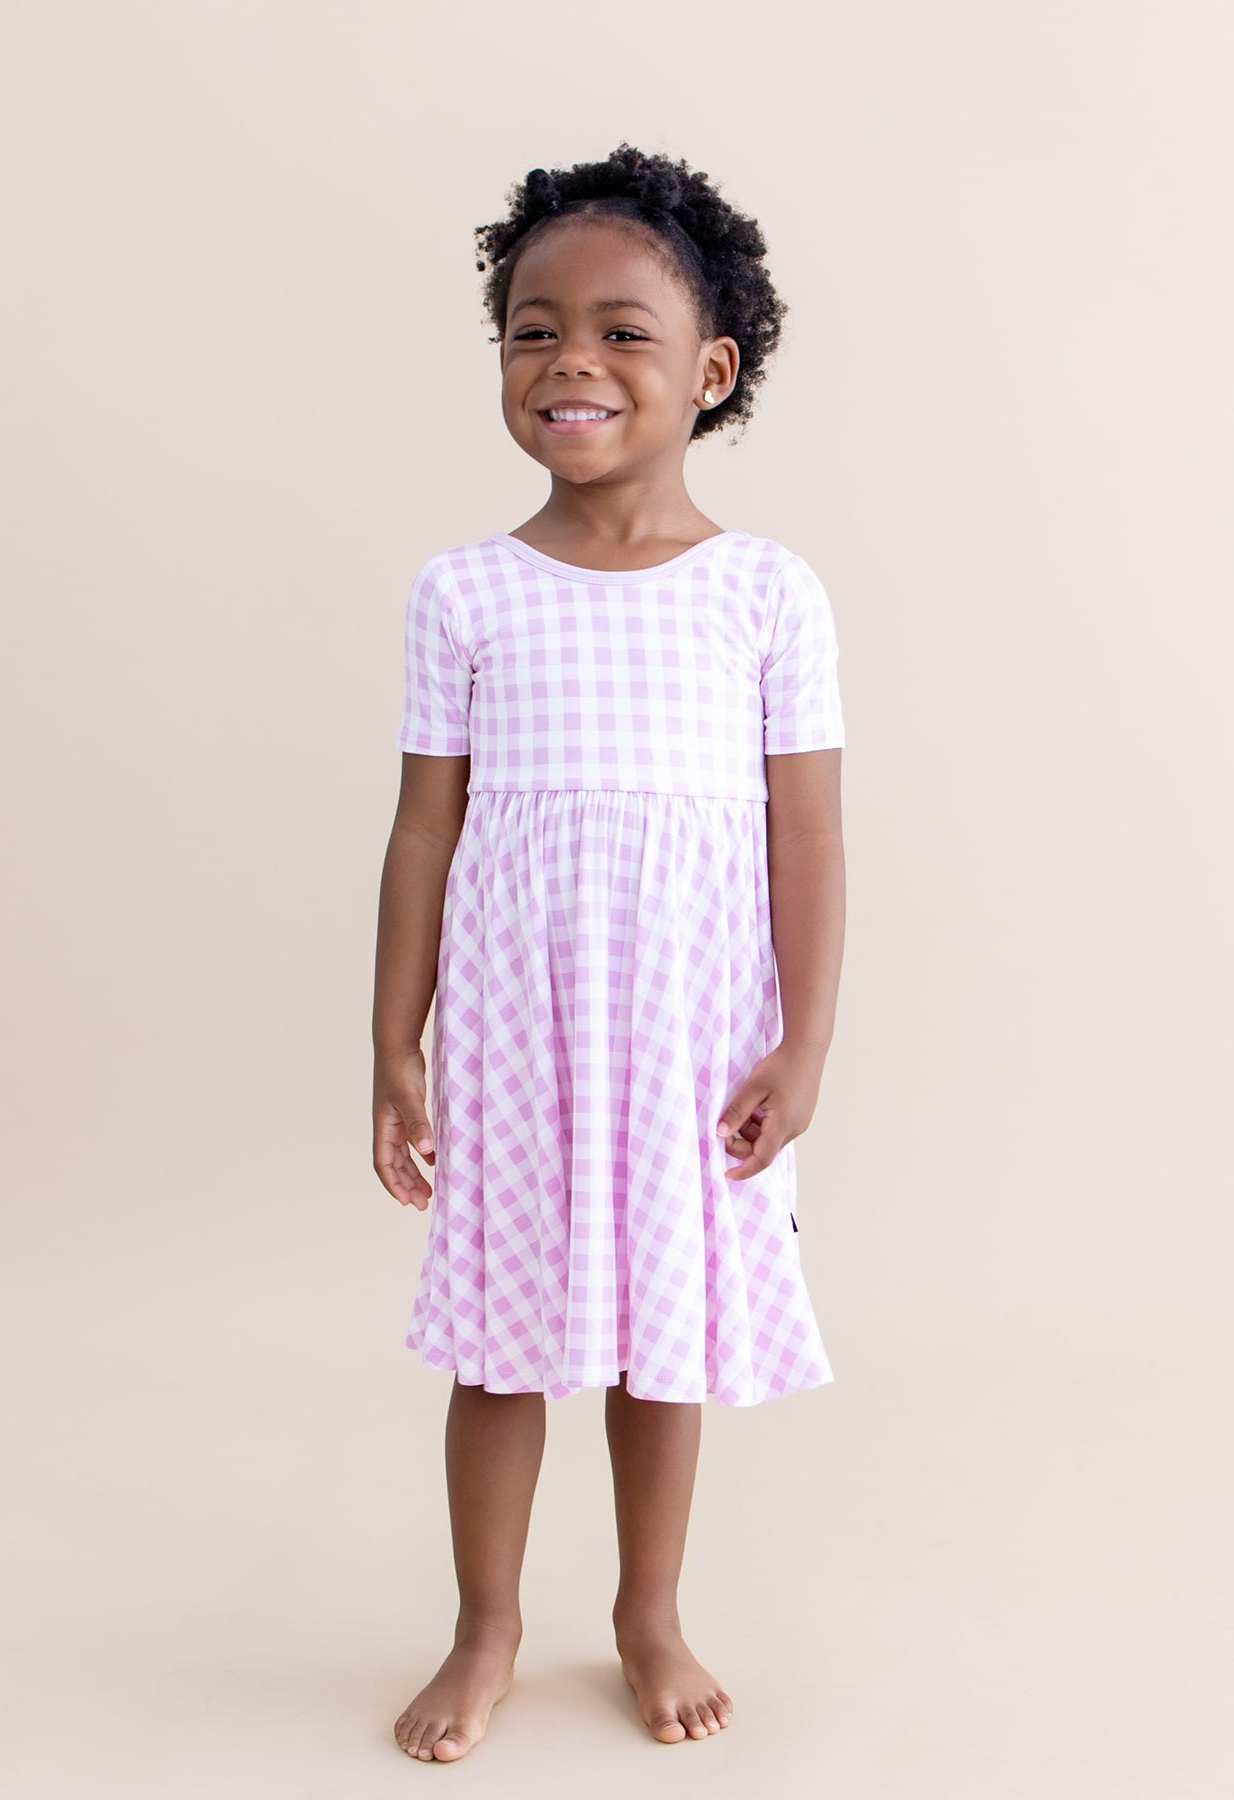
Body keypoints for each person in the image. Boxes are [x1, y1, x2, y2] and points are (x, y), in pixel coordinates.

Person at [371, 142, 848, 1763]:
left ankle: (649, 1613)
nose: (570, 359)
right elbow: (426, 829)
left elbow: (806, 834)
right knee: (504, 1350)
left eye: (621, 331)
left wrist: (804, 1045)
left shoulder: (767, 596)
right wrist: (394, 1042)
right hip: (518, 1032)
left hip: (693, 1031)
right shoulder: (465, 593)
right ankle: (486, 1623)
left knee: (667, 1339)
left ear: (709, 371)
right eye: (531, 328)